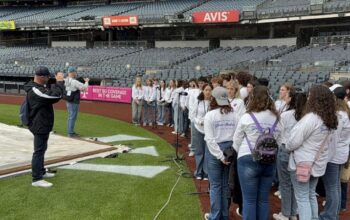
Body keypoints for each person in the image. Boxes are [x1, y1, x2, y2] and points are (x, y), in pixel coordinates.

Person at [286, 85, 338, 220]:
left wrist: (287, 147)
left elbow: (293, 142)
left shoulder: (311, 118)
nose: (308, 98)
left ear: (315, 99)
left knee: (302, 198)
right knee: (310, 195)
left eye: (310, 95)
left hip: (302, 163)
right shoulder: (329, 119)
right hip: (317, 163)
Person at [233, 85, 281, 220]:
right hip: (269, 160)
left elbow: (236, 141)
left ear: (252, 98)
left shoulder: (247, 117)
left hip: (248, 158)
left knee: (249, 200)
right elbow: (280, 140)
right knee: (263, 199)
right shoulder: (277, 118)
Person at [24, 66, 65, 188]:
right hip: (39, 124)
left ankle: (41, 171)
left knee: (42, 150)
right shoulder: (35, 90)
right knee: (38, 151)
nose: (48, 79)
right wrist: (59, 83)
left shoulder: (38, 88)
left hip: (42, 123)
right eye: (47, 77)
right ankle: (36, 178)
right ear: (41, 77)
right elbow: (55, 96)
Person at [204, 86, 239, 220]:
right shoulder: (235, 114)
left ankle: (215, 215)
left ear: (214, 98)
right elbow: (237, 136)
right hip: (229, 149)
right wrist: (229, 153)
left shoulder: (210, 115)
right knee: (225, 185)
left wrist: (219, 156)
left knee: (215, 185)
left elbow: (209, 139)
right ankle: (224, 215)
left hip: (216, 150)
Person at [273, 89, 306, 220]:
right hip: (301, 152)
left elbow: (277, 133)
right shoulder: (307, 116)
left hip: (286, 149)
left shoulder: (287, 115)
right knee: (295, 184)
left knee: (286, 184)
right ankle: (292, 212)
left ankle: (286, 213)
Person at [319, 85, 350, 220]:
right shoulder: (345, 112)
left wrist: (326, 158)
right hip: (340, 154)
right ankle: (333, 213)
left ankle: (330, 215)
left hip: (334, 156)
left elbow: (333, 139)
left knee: (332, 187)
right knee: (335, 186)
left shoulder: (339, 115)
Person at [192, 83, 212, 180]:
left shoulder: (213, 103)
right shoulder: (198, 101)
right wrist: (199, 121)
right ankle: (199, 172)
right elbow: (193, 115)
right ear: (203, 91)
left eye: (210, 90)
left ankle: (206, 173)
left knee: (208, 152)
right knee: (199, 151)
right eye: (206, 90)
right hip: (198, 128)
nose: (208, 92)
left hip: (209, 130)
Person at [64, 66, 89, 137]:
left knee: (70, 116)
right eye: (75, 72)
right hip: (74, 101)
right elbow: (84, 88)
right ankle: (70, 132)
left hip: (68, 100)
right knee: (72, 117)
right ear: (72, 73)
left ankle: (70, 131)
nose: (76, 73)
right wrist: (86, 82)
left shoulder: (66, 79)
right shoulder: (74, 81)